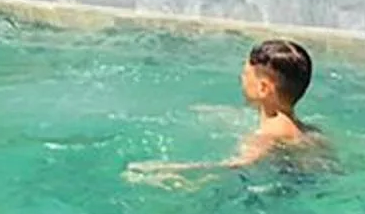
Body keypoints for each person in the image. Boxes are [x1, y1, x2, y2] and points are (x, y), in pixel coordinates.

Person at [123, 39, 325, 182]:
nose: (241, 79)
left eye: (246, 75)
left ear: (263, 88)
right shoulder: (310, 131)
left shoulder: (267, 136)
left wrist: (169, 171)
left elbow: (232, 167)